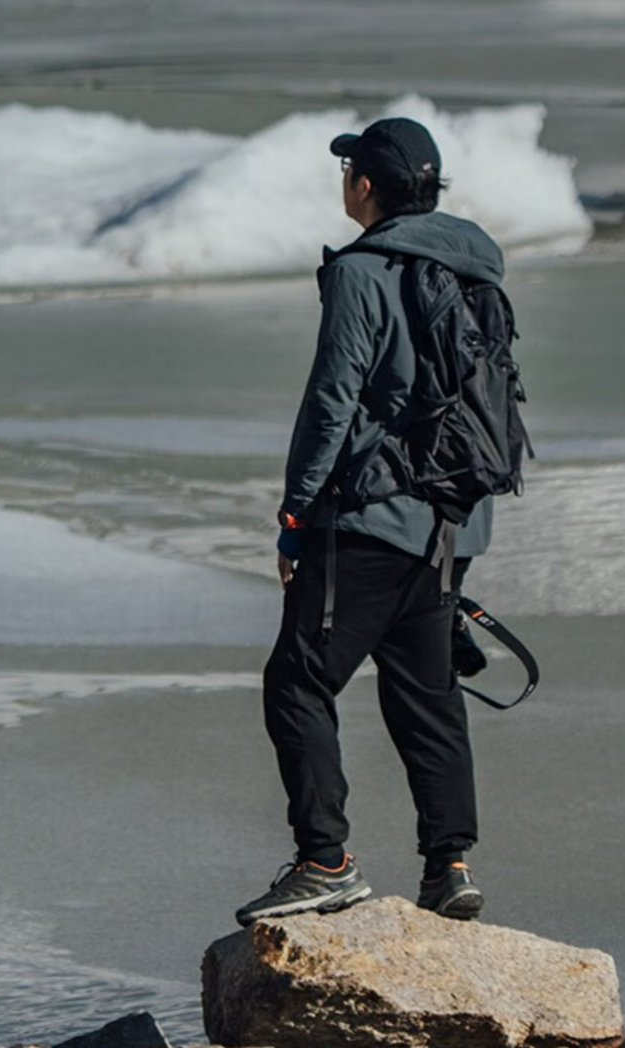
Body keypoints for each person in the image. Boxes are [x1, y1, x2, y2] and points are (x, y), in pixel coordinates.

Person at [235, 117, 506, 927]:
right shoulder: (474, 267)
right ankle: (448, 865)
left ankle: (325, 861)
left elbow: (333, 400)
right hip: (453, 524)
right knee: (425, 694)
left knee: (297, 680)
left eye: (348, 167)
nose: (343, 179)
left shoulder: (364, 271)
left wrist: (295, 510)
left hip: (369, 519)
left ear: (365, 186)